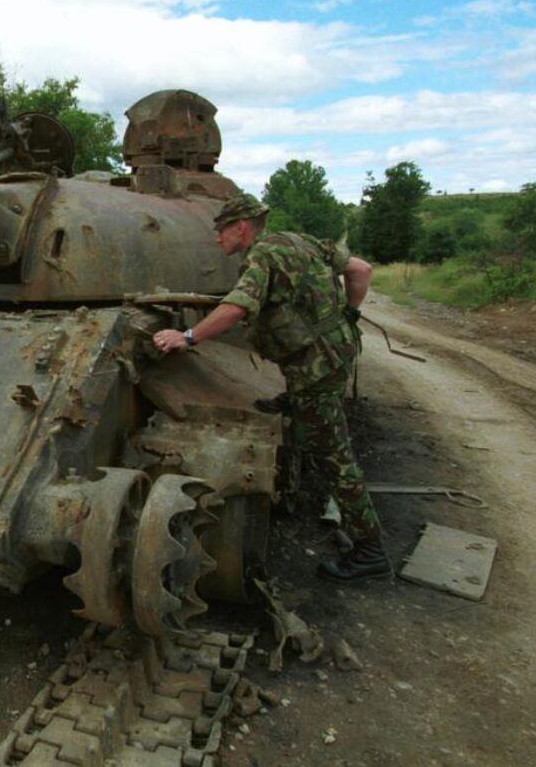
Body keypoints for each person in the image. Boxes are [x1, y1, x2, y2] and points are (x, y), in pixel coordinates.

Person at [152, 192, 392, 582]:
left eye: (222, 230)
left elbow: (236, 310)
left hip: (315, 370)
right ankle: (297, 406)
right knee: (314, 425)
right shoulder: (299, 241)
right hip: (334, 356)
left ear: (241, 228)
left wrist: (189, 336)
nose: (217, 239)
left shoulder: (261, 258)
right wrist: (347, 316)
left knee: (335, 457)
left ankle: (370, 550)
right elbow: (361, 270)